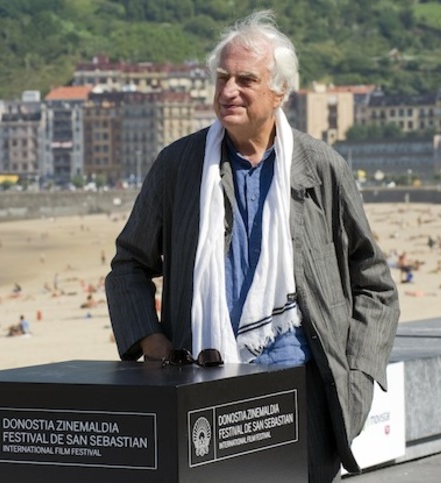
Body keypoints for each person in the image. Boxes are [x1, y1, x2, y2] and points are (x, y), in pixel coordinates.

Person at [105, 10, 399, 482]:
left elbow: (375, 285)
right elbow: (128, 266)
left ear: (280, 91)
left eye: (245, 79)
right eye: (221, 78)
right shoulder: (178, 166)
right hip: (202, 393)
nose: (227, 91)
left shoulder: (322, 167)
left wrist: (359, 373)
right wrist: (151, 341)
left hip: (305, 394)